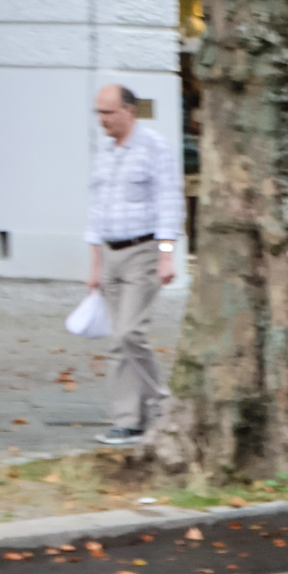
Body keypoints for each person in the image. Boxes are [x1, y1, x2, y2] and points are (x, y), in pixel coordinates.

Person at [85, 84, 182, 447]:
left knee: (129, 333)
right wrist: (94, 265)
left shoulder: (154, 147)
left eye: (108, 113)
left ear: (129, 111)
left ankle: (166, 402)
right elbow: (96, 211)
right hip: (109, 252)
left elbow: (169, 201)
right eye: (99, 113)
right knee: (117, 340)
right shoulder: (105, 153)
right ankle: (128, 420)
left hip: (143, 251)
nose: (102, 120)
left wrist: (167, 253)